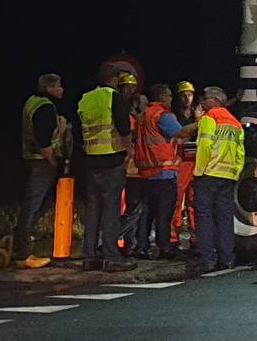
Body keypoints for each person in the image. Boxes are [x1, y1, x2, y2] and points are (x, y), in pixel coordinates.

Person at [76, 63, 136, 272]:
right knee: (111, 210)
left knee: (93, 210)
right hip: (112, 160)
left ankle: (89, 257)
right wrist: (130, 151)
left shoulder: (85, 99)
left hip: (91, 161)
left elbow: (79, 132)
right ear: (113, 79)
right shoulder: (113, 97)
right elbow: (123, 127)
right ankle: (111, 257)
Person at [13, 73, 70, 268]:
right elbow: (44, 139)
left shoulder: (32, 102)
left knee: (40, 204)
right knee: (33, 205)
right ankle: (22, 255)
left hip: (32, 158)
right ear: (48, 88)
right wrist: (53, 160)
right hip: (41, 161)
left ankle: (16, 240)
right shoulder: (45, 107)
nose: (62, 89)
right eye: (59, 86)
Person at [192, 86, 244, 272]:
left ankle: (208, 259)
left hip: (208, 175)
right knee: (224, 218)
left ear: (214, 100)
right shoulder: (235, 123)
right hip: (228, 177)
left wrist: (199, 171)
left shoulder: (210, 118)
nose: (202, 102)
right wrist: (235, 172)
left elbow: (205, 146)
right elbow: (240, 153)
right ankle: (227, 258)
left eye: (204, 98)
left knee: (204, 217)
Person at [134, 84, 185, 259]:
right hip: (164, 170)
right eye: (169, 96)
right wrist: (199, 122)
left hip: (145, 172)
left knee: (147, 214)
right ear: (162, 97)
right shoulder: (161, 115)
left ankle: (142, 247)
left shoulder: (142, 116)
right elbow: (180, 132)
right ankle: (165, 248)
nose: (172, 99)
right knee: (164, 213)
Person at [117, 72, 146, 257]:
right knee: (134, 209)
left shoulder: (134, 118)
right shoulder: (130, 118)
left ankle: (129, 244)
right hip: (130, 169)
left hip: (135, 168)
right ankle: (111, 239)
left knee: (135, 209)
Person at [170, 80, 199, 251]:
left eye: (189, 95)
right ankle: (174, 237)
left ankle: (196, 237)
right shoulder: (173, 117)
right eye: (183, 95)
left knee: (194, 201)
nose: (187, 98)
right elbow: (178, 135)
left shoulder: (198, 116)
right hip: (180, 161)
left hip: (195, 162)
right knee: (177, 199)